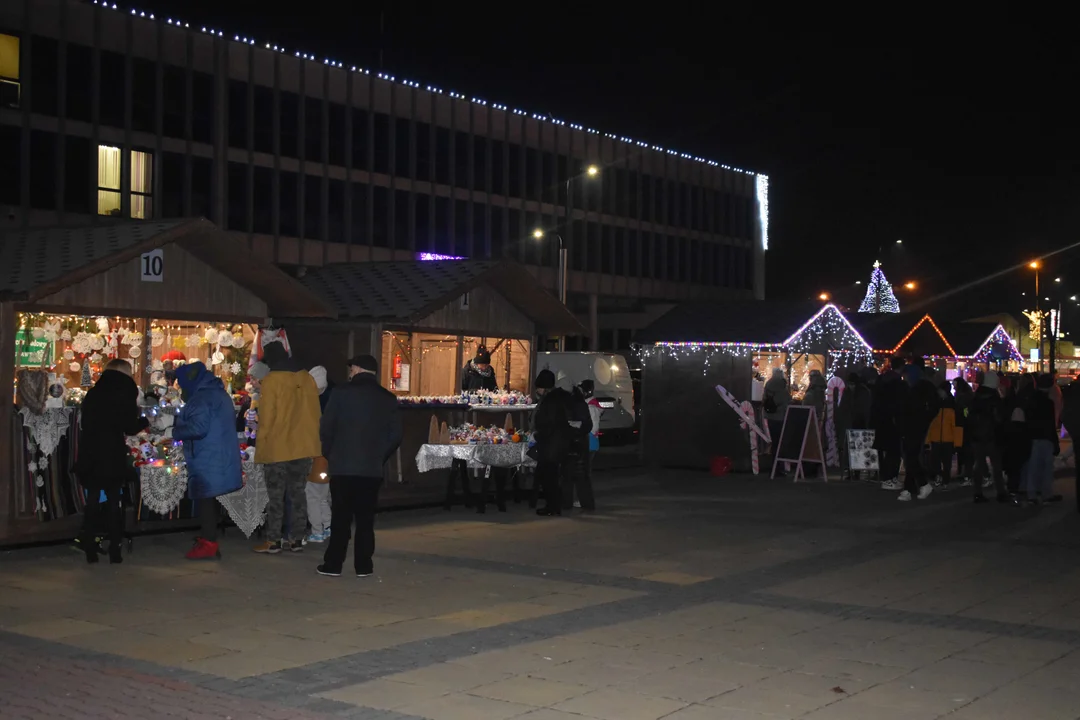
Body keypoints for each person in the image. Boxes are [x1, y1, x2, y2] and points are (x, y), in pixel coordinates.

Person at [317, 355, 402, 578]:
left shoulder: (341, 394)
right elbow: (395, 436)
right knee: (365, 519)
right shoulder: (388, 398)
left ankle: (334, 564)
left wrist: (331, 454)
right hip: (371, 468)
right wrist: (378, 455)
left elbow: (326, 428)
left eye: (351, 368)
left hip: (342, 466)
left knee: (340, 518)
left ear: (356, 369)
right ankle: (364, 565)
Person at [73, 359, 149, 564]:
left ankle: (89, 546)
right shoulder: (126, 391)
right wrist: (146, 420)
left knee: (93, 501)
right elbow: (130, 426)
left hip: (91, 452)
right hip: (112, 452)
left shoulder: (94, 392)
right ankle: (115, 550)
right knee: (115, 501)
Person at [253, 341, 321, 554]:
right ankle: (297, 539)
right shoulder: (307, 379)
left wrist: (260, 445)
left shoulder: (271, 381)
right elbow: (316, 414)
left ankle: (273, 540)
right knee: (297, 493)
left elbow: (267, 419)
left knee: (275, 496)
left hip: (277, 447)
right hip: (303, 446)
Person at [173, 362, 243, 560]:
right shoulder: (217, 393)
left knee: (206, 499)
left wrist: (176, 430)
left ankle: (209, 543)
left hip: (207, 457)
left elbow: (198, 428)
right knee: (210, 500)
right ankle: (209, 538)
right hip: (219, 454)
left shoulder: (201, 398)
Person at [531, 369, 575, 516]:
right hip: (556, 443)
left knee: (548, 477)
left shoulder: (550, 401)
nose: (537, 390)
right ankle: (553, 505)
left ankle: (552, 507)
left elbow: (548, 423)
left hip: (551, 445)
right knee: (551, 476)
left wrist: (538, 435)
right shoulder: (558, 398)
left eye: (538, 387)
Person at [897, 362, 937, 501]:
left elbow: (929, 408)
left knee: (911, 456)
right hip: (912, 426)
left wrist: (924, 420)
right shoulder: (913, 388)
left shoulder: (918, 389)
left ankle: (922, 484)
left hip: (914, 427)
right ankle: (909, 488)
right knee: (910, 456)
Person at [305, 366, 335, 543]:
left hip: (317, 455)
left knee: (313, 496)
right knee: (323, 496)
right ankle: (328, 527)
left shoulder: (314, 404)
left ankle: (317, 531)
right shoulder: (333, 400)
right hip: (329, 456)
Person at [967, 370, 1007, 503]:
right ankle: (1000, 492)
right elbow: (999, 418)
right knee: (996, 465)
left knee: (979, 464)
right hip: (992, 436)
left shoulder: (976, 396)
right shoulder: (994, 397)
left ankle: (977, 492)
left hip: (977, 436)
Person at [1023, 373, 1060, 504]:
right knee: (1047, 468)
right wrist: (1055, 442)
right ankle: (1046, 494)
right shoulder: (1048, 403)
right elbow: (1050, 424)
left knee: (1033, 467)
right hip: (1046, 437)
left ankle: (1032, 494)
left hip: (1034, 437)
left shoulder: (1031, 400)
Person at [561, 380, 597, 512]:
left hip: (571, 442)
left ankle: (567, 503)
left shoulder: (567, 405)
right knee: (582, 476)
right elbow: (588, 425)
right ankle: (587, 503)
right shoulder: (581, 404)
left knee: (567, 476)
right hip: (581, 443)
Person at [872, 358, 906, 489]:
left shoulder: (881, 380)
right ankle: (890, 478)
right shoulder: (898, 383)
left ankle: (885, 477)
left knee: (884, 450)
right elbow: (898, 404)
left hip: (881, 419)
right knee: (894, 451)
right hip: (892, 421)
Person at [836, 371, 871, 479]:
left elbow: (844, 408)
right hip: (857, 423)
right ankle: (854, 471)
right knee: (855, 448)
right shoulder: (862, 391)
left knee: (854, 448)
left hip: (856, 423)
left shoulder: (855, 392)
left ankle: (854, 471)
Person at [926, 381, 961, 488]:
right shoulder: (940, 404)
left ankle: (944, 479)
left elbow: (956, 425)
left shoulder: (949, 405)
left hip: (946, 438)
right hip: (939, 438)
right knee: (936, 461)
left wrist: (957, 442)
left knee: (945, 462)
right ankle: (942, 478)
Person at [763, 368, 792, 476]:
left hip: (770, 416)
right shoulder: (782, 386)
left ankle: (774, 467)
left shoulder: (768, 384)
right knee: (780, 443)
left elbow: (764, 399)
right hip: (780, 417)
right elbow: (786, 400)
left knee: (774, 442)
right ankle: (778, 467)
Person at [952, 376, 974, 483]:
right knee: (964, 449)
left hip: (963, 425)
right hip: (965, 424)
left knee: (963, 449)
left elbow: (964, 411)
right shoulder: (967, 395)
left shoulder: (962, 397)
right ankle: (964, 471)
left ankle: (964, 471)